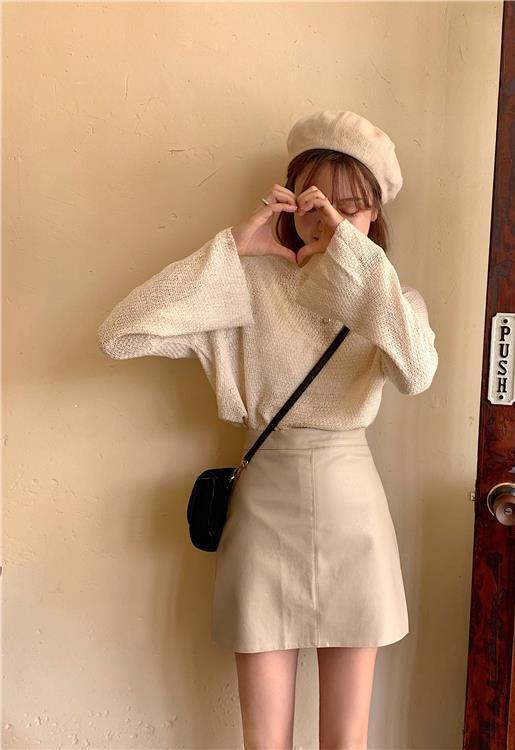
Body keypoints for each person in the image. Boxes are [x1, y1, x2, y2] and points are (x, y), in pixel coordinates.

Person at [97, 109, 439, 749]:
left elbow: (418, 373)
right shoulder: (246, 287)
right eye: (316, 203)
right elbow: (122, 334)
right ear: (290, 202)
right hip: (262, 514)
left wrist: (357, 262)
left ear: (375, 215)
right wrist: (232, 248)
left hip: (352, 517)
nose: (329, 219)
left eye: (350, 208)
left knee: (346, 739)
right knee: (264, 740)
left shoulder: (390, 302)